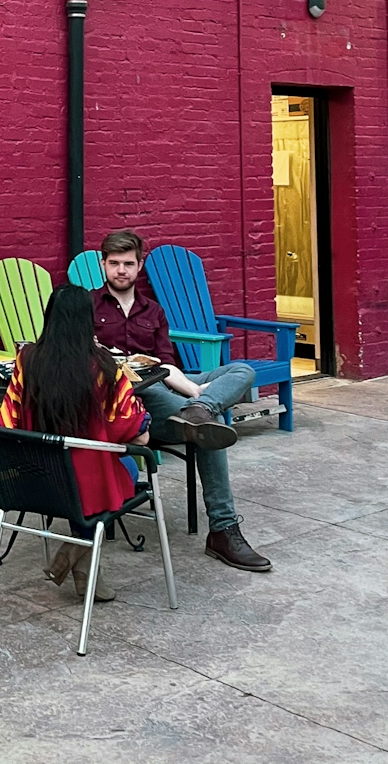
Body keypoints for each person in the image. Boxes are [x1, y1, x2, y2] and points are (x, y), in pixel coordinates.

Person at [89, 229, 272, 572]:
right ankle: (223, 529)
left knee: (241, 370)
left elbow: (165, 361)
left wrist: (192, 390)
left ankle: (199, 409)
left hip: (171, 387)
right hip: (128, 403)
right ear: (103, 265)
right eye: (114, 264)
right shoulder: (87, 305)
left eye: (128, 263)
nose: (121, 270)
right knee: (197, 420)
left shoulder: (153, 311)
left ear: (139, 266)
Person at [0, 285, 149, 603]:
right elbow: (129, 426)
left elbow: (6, 423)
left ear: (49, 318)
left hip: (34, 482)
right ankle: (74, 548)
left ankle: (85, 573)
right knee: (130, 466)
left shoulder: (26, 361)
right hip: (88, 485)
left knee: (82, 474)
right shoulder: (104, 367)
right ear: (88, 322)